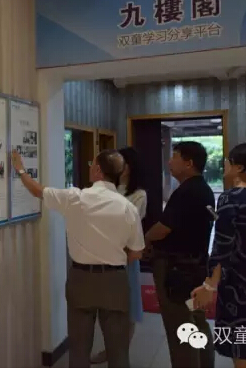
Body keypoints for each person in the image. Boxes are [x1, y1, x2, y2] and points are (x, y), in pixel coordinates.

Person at [11, 149, 145, 368]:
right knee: (118, 349)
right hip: (115, 281)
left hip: (81, 278)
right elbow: (137, 252)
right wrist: (113, 258)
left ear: (98, 170)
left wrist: (20, 170)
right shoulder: (127, 207)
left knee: (79, 348)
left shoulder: (75, 198)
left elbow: (37, 190)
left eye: (93, 164)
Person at [192, 143, 246, 368]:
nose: (225, 165)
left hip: (239, 288)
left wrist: (209, 285)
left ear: (239, 167)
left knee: (243, 352)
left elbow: (222, 247)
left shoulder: (230, 198)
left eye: (228, 162)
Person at [144, 141, 216, 368]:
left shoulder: (186, 192)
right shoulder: (203, 189)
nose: (169, 161)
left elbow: (164, 228)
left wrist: (146, 238)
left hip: (176, 269)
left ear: (188, 163)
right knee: (196, 320)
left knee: (180, 326)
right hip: (196, 266)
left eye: (174, 156)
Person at [91, 147, 146, 364]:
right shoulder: (105, 190)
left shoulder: (138, 194)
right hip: (102, 256)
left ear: (128, 167)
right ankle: (110, 349)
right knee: (106, 308)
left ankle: (120, 352)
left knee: (127, 308)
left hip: (125, 256)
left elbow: (129, 226)